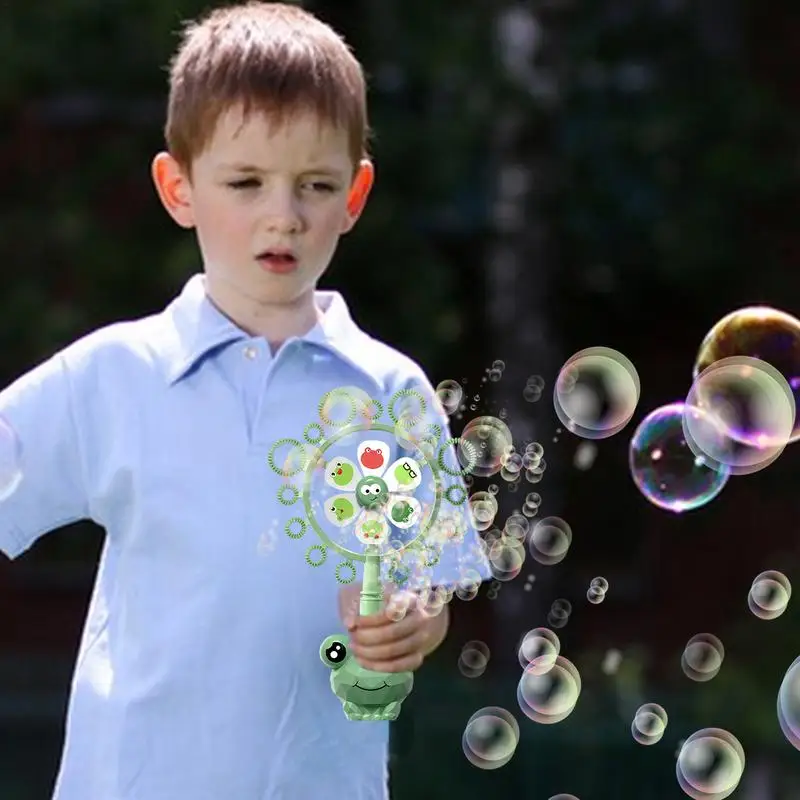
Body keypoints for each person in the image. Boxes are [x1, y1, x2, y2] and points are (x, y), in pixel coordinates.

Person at [0, 3, 488, 799]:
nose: (283, 215)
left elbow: (425, 592)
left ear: (355, 196)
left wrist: (412, 624)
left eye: (316, 185)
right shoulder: (118, 373)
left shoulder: (389, 392)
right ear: (178, 186)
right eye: (246, 181)